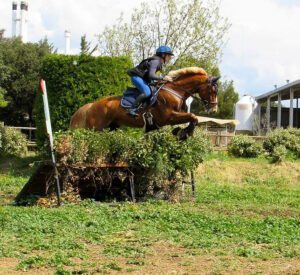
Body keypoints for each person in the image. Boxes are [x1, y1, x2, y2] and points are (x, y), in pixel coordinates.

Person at [126, 46, 174, 116]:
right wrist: (163, 78)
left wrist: (161, 81)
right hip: (136, 77)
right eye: (169, 55)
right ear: (163, 55)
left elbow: (154, 77)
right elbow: (151, 75)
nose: (170, 57)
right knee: (147, 92)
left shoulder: (159, 63)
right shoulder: (155, 61)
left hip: (142, 78)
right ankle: (132, 109)